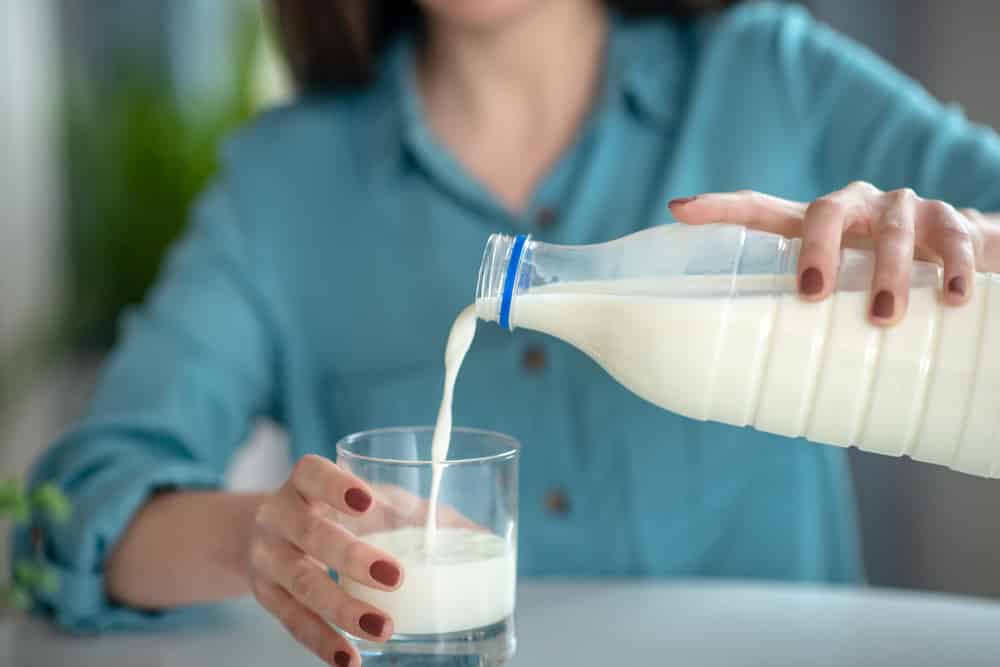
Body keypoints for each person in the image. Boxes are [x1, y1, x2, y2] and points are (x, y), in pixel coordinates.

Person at [15, 1, 1000, 665]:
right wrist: (261, 537)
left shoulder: (771, 75)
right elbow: (67, 513)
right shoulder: (284, 188)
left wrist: (969, 240)